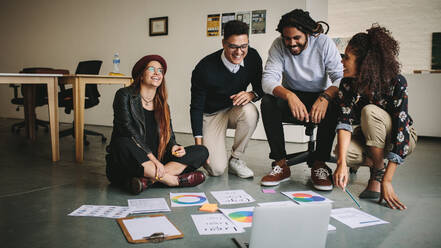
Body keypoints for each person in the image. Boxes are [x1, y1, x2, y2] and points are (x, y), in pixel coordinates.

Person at [333, 24, 417, 210]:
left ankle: (377, 173)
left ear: (363, 63)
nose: (342, 62)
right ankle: (376, 163)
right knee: (342, 152)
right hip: (369, 138)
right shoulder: (347, 84)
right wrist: (341, 165)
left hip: (403, 138)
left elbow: (400, 133)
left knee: (369, 111)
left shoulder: (396, 82)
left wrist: (387, 180)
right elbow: (344, 123)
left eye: (346, 58)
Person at [260, 9, 343, 190]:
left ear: (308, 33)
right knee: (268, 102)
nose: (291, 43)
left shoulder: (323, 43)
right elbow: (267, 80)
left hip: (320, 97)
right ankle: (280, 164)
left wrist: (326, 96)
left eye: (297, 38)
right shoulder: (278, 45)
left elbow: (340, 78)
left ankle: (320, 164)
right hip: (292, 97)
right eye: (287, 38)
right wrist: (289, 95)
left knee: (335, 103)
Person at [106, 54, 209, 195]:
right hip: (134, 159)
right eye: (152, 69)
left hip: (157, 160)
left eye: (160, 71)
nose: (157, 73)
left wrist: (175, 146)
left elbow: (169, 136)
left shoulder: (163, 105)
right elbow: (127, 129)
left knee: (201, 150)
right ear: (141, 75)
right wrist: (154, 160)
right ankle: (172, 180)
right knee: (122, 142)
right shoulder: (124, 95)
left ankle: (148, 181)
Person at [190, 20, 263, 178]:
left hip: (234, 110)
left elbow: (261, 88)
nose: (239, 52)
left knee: (250, 112)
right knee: (215, 170)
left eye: (244, 46)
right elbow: (196, 107)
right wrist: (199, 148)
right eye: (233, 46)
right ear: (223, 43)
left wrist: (251, 94)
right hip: (211, 115)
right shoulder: (204, 68)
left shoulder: (253, 57)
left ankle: (235, 159)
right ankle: (215, 154)